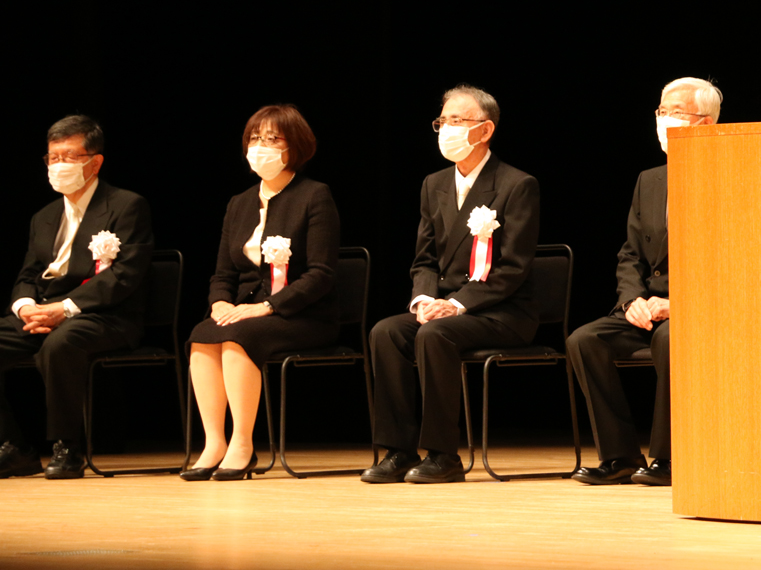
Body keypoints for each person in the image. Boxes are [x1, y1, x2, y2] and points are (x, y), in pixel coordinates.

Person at [361, 84, 540, 484]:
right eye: (443, 121)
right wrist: (424, 298)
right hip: (445, 306)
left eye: (459, 121)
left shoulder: (516, 184)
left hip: (503, 311)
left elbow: (512, 268)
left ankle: (443, 454)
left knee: (435, 335)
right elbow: (424, 258)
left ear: (486, 130)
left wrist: (457, 304)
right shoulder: (433, 184)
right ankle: (398, 450)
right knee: (386, 332)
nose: (447, 129)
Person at [567, 77, 720, 486]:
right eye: (661, 112)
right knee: (585, 339)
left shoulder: (730, 175)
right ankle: (619, 456)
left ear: (704, 125)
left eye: (675, 113)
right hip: (647, 306)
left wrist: (680, 303)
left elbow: (729, 260)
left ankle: (668, 459)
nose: (663, 120)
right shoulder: (649, 179)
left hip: (699, 308)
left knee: (670, 338)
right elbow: (630, 254)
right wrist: (631, 299)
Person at [182, 104, 339, 481]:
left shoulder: (315, 196)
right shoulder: (239, 203)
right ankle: (214, 442)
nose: (260, 147)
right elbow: (223, 273)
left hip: (303, 314)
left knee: (238, 336)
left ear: (294, 146)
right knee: (203, 333)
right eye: (255, 138)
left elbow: (321, 274)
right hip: (245, 311)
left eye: (272, 139)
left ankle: (242, 444)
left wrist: (267, 307)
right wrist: (220, 302)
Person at [0, 115, 153, 479]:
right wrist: (26, 308)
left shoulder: (126, 205)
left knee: (61, 344)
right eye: (52, 158)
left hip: (106, 316)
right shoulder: (45, 216)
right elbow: (27, 275)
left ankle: (67, 447)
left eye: (68, 157)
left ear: (94, 161)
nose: (58, 166)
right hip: (44, 313)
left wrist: (64, 309)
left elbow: (124, 275)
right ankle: (13, 447)